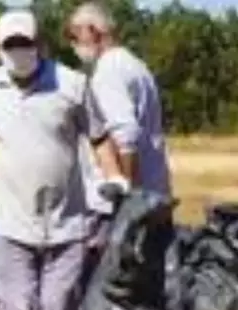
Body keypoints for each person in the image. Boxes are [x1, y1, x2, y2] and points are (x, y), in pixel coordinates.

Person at [0, 8, 130, 310]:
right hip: (9, 225)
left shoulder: (71, 86)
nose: (19, 50)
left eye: (25, 42)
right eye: (11, 45)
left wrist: (115, 177)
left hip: (66, 225)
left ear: (40, 44)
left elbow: (99, 138)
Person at [66, 1, 172, 237]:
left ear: (92, 31)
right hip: (155, 192)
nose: (72, 45)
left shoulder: (108, 71)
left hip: (121, 206)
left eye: (74, 35)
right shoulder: (135, 65)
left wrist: (128, 204)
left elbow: (125, 137)